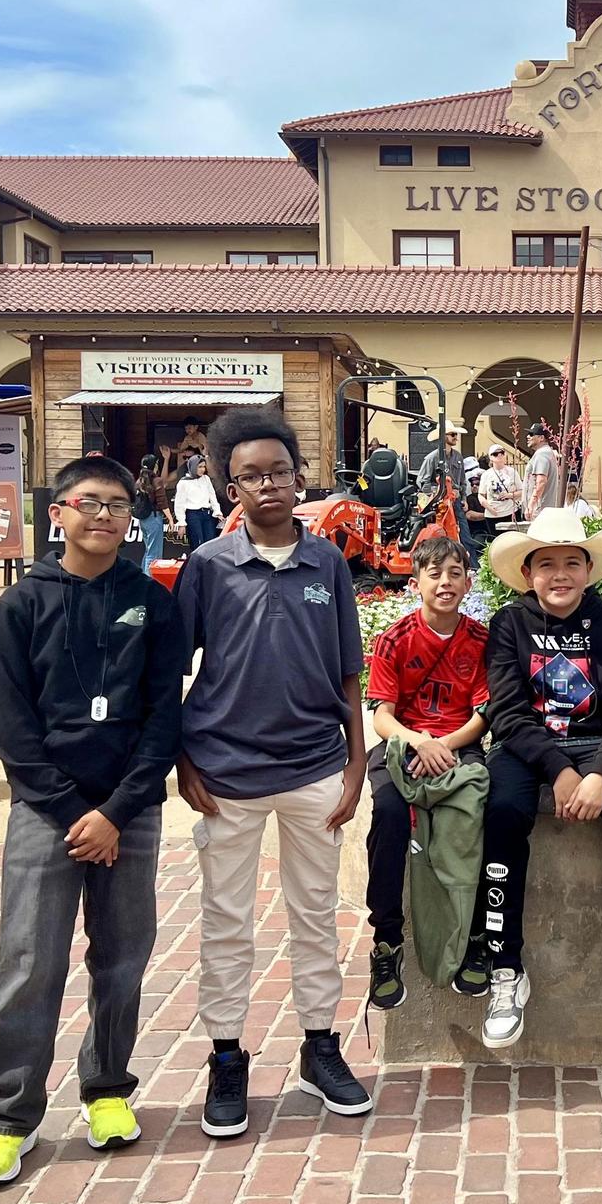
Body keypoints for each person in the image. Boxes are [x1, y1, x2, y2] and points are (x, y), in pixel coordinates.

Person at [0, 456, 188, 1188]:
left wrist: (117, 810)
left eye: (119, 506)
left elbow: (164, 718)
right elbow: (13, 731)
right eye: (88, 502)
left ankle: (108, 1090)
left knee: (121, 957)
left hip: (130, 810)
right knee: (30, 960)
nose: (104, 516)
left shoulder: (152, 602)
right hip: (46, 812)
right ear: (55, 511)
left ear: (134, 519)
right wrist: (74, 813)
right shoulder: (21, 605)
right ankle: (8, 1117)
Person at [173, 408, 372, 1140]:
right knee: (227, 923)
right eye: (252, 475)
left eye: (280, 472)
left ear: (300, 477)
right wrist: (183, 758)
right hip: (225, 772)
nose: (268, 486)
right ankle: (227, 1055)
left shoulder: (327, 563)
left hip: (315, 768)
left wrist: (355, 764)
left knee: (316, 916)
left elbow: (350, 673)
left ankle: (320, 1047)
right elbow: (172, 671)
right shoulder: (207, 566)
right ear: (231, 486)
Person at [479, 508, 602, 1045]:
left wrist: (599, 775)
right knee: (500, 812)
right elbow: (507, 712)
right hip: (529, 751)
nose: (560, 574)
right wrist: (559, 770)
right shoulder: (509, 626)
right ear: (528, 573)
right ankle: (504, 968)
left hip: (601, 748)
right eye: (547, 564)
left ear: (589, 570)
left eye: (572, 562)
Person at [363, 534, 490, 1012]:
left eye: (455, 573)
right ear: (415, 582)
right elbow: (381, 715)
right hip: (405, 745)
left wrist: (444, 745)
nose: (445, 582)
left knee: (483, 816)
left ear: (467, 581)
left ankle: (475, 932)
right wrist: (419, 741)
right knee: (390, 817)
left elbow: (483, 713)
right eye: (434, 574)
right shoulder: (394, 639)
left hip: (458, 747)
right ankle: (387, 940)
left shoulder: (481, 639)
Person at [132, 455, 172, 573]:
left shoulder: (139, 481)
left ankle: (143, 578)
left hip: (143, 519)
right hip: (154, 518)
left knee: (149, 551)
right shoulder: (156, 480)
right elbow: (162, 502)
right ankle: (149, 583)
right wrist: (171, 519)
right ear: (154, 465)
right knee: (154, 554)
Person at [475, 443, 524, 539]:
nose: (499, 455)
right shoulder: (486, 475)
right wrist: (488, 507)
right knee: (496, 541)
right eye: (495, 454)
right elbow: (481, 494)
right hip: (492, 514)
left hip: (510, 512)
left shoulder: (512, 472)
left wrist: (509, 495)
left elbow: (521, 491)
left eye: (501, 453)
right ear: (491, 457)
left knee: (512, 540)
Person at [174, 454, 222, 548]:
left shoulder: (206, 479)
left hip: (207, 514)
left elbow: (212, 496)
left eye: (204, 467)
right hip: (193, 515)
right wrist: (182, 522)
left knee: (211, 542)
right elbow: (179, 504)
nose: (202, 469)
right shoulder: (183, 482)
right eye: (199, 467)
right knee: (198, 543)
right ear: (193, 466)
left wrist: (217, 511)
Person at [522, 423, 561, 519]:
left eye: (531, 434)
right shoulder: (547, 452)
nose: (528, 437)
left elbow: (541, 482)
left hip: (539, 511)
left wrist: (531, 505)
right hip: (544, 510)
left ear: (541, 438)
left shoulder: (541, 454)